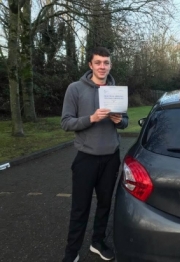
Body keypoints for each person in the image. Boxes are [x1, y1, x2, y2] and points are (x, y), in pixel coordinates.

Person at [61, 46, 128, 262]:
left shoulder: (116, 90)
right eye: (98, 62)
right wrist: (91, 118)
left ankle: (97, 242)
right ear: (90, 65)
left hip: (111, 157)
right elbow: (66, 122)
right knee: (80, 207)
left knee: (105, 204)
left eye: (106, 63)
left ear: (110, 65)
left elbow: (125, 122)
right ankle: (71, 253)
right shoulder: (75, 89)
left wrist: (120, 121)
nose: (102, 66)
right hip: (86, 158)